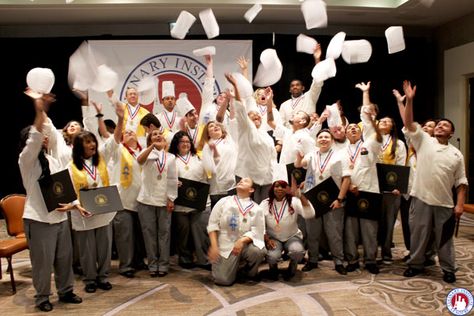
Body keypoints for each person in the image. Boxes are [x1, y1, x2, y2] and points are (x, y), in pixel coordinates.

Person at [19, 90, 83, 312]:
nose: (46, 137)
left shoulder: (53, 159)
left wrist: (72, 204)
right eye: (41, 136)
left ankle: (66, 291)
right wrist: (39, 111)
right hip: (38, 220)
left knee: (65, 259)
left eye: (47, 135)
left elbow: (63, 187)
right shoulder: (26, 161)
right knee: (43, 264)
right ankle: (42, 297)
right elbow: (35, 137)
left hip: (59, 218)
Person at [400, 80, 468, 283]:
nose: (440, 126)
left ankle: (448, 269)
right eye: (438, 124)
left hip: (445, 203)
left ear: (451, 133)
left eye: (445, 125)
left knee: (445, 240)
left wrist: (460, 204)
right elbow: (409, 122)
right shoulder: (423, 141)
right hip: (420, 198)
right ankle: (415, 264)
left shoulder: (456, 154)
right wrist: (409, 101)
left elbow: (461, 183)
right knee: (418, 236)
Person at [356, 82, 407, 264]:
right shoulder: (371, 137)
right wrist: (366, 92)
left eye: (387, 121)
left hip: (391, 190)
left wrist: (398, 187)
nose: (383, 122)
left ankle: (386, 253)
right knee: (372, 222)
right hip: (372, 185)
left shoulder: (399, 144)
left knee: (389, 223)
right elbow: (366, 113)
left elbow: (401, 166)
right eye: (381, 121)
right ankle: (370, 254)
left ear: (393, 126)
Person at [295, 129, 351, 275]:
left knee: (334, 233)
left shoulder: (340, 155)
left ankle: (338, 261)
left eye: (327, 137)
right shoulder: (312, 154)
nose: (323, 139)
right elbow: (299, 164)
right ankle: (312, 260)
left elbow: (346, 178)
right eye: (320, 137)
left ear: (332, 140)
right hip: (314, 199)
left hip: (333, 200)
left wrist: (340, 199)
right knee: (313, 232)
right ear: (317, 140)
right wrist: (298, 152)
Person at [225, 73, 277, 203]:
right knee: (245, 208)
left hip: (266, 178)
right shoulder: (246, 128)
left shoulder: (265, 134)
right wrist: (236, 86)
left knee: (264, 209)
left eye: (258, 114)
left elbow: (272, 158)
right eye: (252, 115)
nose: (256, 116)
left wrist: (269, 100)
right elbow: (241, 109)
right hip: (246, 175)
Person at [207, 177, 266, 286]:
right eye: (240, 180)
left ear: (251, 190)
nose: (241, 181)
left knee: (258, 251)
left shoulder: (257, 209)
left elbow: (258, 231)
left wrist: (242, 240)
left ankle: (248, 272)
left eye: (246, 181)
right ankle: (231, 268)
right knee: (223, 281)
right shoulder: (224, 201)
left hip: (244, 246)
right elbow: (212, 224)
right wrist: (214, 246)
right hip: (225, 244)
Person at [136, 129, 178, 277]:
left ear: (165, 141)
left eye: (160, 134)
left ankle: (164, 264)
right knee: (149, 234)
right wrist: (151, 146)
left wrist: (171, 198)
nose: (158, 136)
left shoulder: (171, 157)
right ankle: (153, 265)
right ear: (149, 140)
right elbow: (139, 161)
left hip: (163, 200)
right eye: (154, 134)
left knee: (164, 233)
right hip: (146, 200)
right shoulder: (146, 154)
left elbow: (172, 179)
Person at [343, 118, 382, 275]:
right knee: (350, 230)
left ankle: (370, 260)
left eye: (356, 128)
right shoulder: (340, 151)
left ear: (361, 132)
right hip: (349, 192)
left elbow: (378, 137)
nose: (353, 129)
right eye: (349, 128)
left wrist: (372, 123)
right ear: (345, 133)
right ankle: (352, 260)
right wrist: (349, 186)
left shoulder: (368, 146)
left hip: (369, 191)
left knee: (369, 230)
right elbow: (338, 172)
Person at [168, 131, 211, 269]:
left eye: (188, 141)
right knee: (183, 233)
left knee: (201, 233)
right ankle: (185, 258)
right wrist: (172, 183)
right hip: (181, 204)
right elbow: (165, 178)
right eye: (182, 142)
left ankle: (204, 259)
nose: (185, 144)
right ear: (176, 144)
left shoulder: (199, 157)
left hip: (199, 202)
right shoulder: (170, 159)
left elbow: (209, 174)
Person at [261, 180, 315, 280]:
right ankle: (273, 268)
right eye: (277, 186)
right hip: (274, 238)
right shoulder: (265, 203)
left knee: (297, 252)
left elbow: (309, 214)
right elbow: (259, 224)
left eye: (283, 186)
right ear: (272, 188)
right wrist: (267, 239)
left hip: (292, 236)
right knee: (272, 257)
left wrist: (300, 196)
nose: (280, 189)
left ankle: (293, 265)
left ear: (287, 189)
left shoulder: (294, 201)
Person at [279, 45, 323, 128]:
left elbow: (318, 81)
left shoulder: (310, 96)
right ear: (289, 90)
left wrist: (317, 59)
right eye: (292, 86)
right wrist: (280, 140)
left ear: (303, 88)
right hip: (290, 136)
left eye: (297, 85)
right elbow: (281, 124)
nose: (295, 87)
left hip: (308, 133)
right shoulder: (284, 105)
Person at [199, 120, 237, 209]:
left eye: (217, 125)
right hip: (218, 189)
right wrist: (215, 153)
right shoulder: (207, 146)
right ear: (207, 133)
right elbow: (209, 169)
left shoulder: (228, 139)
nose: (215, 126)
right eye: (211, 126)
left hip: (232, 185)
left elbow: (230, 121)